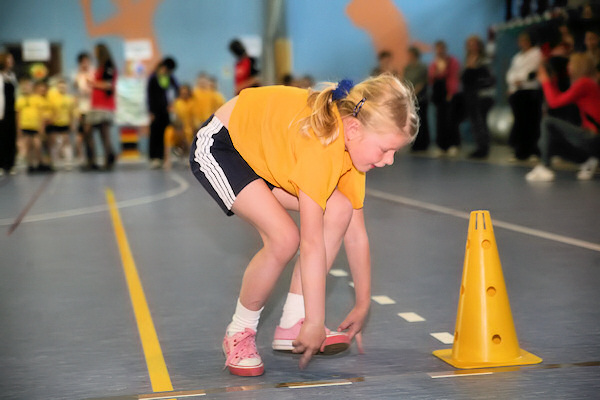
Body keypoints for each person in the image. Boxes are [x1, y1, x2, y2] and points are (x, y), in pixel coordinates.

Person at [189, 74, 419, 376]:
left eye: (394, 153)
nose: (389, 161)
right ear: (354, 128)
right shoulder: (321, 148)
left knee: (340, 207)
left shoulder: (352, 149)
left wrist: (363, 303)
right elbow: (311, 243)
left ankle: (292, 321)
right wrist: (315, 321)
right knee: (285, 238)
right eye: (385, 149)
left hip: (263, 154)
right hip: (222, 146)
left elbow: (356, 234)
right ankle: (239, 333)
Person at [526, 53, 600, 181]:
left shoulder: (584, 83)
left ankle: (544, 167)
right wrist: (552, 82)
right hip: (592, 143)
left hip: (593, 137)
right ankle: (588, 160)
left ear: (579, 66)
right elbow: (558, 99)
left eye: (571, 64)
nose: (568, 67)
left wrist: (545, 81)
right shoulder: (587, 84)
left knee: (547, 122)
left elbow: (554, 103)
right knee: (549, 143)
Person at [506, 31, 543, 161]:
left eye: (525, 40)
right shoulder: (517, 57)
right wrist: (513, 82)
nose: (522, 43)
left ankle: (533, 151)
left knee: (531, 122)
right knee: (519, 122)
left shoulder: (536, 53)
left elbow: (532, 70)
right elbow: (511, 73)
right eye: (520, 40)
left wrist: (521, 79)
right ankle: (520, 151)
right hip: (517, 92)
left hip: (530, 91)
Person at [461, 35, 495, 159]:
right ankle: (479, 146)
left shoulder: (484, 60)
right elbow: (465, 78)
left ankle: (484, 147)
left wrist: (472, 71)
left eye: (474, 44)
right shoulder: (467, 60)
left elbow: (487, 79)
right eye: (469, 44)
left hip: (483, 96)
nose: (471, 47)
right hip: (471, 95)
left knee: (481, 121)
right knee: (475, 122)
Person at [85, 43, 117, 171]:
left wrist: (93, 83)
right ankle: (94, 159)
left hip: (104, 104)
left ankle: (107, 158)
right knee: (92, 131)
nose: (94, 53)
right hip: (96, 104)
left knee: (103, 133)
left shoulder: (108, 65)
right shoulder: (100, 66)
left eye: (95, 51)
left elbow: (108, 85)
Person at [428, 40, 461, 156]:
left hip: (449, 93)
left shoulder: (452, 61)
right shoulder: (434, 63)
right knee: (440, 120)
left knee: (450, 119)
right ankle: (441, 145)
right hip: (438, 94)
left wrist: (451, 92)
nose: (439, 51)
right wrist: (437, 71)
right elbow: (431, 78)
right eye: (437, 49)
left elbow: (453, 77)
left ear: (445, 49)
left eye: (441, 48)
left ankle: (453, 144)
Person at [147, 57, 178, 168]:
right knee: (155, 134)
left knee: (166, 135)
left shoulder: (170, 78)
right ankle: (154, 158)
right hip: (155, 112)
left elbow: (177, 90)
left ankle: (164, 157)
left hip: (166, 112)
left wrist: (173, 105)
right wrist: (150, 111)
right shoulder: (153, 78)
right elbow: (149, 96)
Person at [403, 46, 429, 152]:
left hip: (421, 97)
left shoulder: (422, 67)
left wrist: (415, 91)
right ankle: (415, 143)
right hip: (410, 98)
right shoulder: (407, 68)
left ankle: (424, 143)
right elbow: (405, 81)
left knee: (422, 120)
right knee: (413, 121)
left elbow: (424, 82)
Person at [163, 84, 194, 170]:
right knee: (169, 135)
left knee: (189, 135)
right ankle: (167, 160)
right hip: (177, 125)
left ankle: (189, 158)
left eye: (186, 93)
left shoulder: (192, 103)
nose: (184, 95)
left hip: (187, 126)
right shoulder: (177, 103)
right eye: (182, 93)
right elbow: (173, 115)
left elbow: (194, 117)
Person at [47, 77, 76, 170]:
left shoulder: (69, 99)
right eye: (60, 86)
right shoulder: (52, 98)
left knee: (66, 142)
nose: (62, 88)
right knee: (54, 143)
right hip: (54, 123)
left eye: (64, 86)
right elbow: (49, 110)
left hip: (65, 123)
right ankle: (54, 162)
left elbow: (71, 113)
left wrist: (72, 123)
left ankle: (68, 162)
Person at [73, 52, 94, 166]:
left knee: (89, 133)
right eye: (83, 61)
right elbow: (76, 88)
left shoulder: (93, 73)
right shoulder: (77, 74)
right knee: (83, 134)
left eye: (87, 61)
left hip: (92, 108)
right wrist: (79, 73)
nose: (85, 63)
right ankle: (85, 158)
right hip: (82, 108)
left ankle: (91, 158)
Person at [0, 52, 18, 176]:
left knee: (11, 137)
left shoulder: (12, 76)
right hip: (1, 111)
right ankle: (0, 165)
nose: (11, 61)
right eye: (9, 59)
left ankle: (10, 164)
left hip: (12, 111)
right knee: (1, 138)